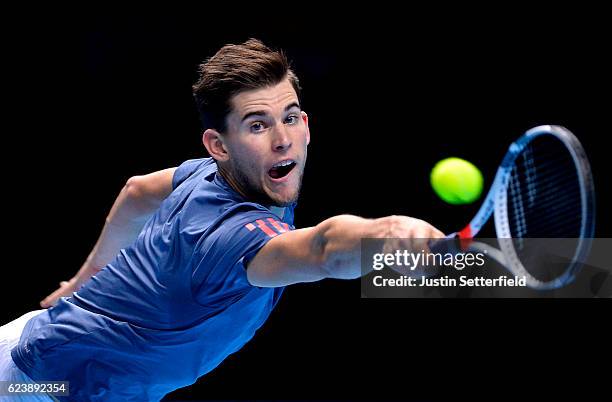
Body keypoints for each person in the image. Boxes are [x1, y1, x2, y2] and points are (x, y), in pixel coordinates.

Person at [0, 39, 444, 401]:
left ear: (307, 124)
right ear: (219, 144)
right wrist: (389, 236)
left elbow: (136, 191)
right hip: (40, 386)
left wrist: (90, 274)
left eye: (289, 118)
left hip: (42, 347)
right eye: (257, 125)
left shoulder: (205, 173)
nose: (282, 140)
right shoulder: (227, 239)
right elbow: (323, 251)